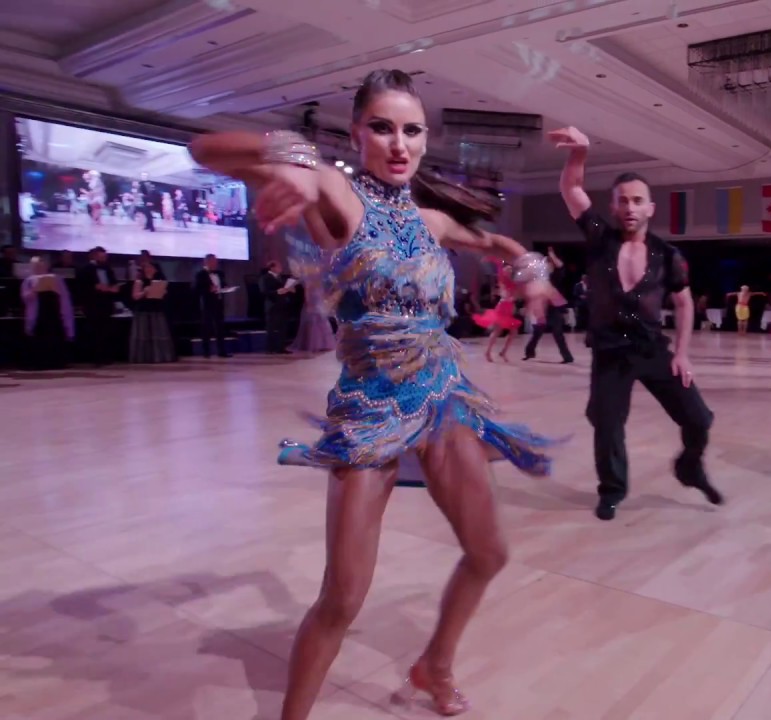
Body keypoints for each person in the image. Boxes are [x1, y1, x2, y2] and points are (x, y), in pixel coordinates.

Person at [189, 68, 560, 719]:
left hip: (443, 399)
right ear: (358, 133)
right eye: (383, 128)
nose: (398, 143)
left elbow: (501, 244)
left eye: (411, 131)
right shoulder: (338, 194)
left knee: (488, 552)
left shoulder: (430, 220)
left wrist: (529, 271)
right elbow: (205, 149)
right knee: (343, 597)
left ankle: (433, 665)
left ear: (425, 139)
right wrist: (298, 163)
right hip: (371, 411)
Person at [550, 124, 721, 521]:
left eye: (637, 201)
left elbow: (684, 303)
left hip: (651, 349)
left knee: (699, 419)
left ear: (650, 208)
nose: (630, 207)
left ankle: (690, 466)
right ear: (613, 207)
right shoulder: (600, 239)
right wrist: (580, 152)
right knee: (607, 424)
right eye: (623, 201)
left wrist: (682, 354)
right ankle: (612, 490)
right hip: (610, 353)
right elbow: (571, 189)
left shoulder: (668, 255)